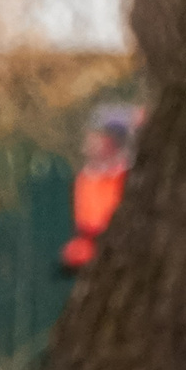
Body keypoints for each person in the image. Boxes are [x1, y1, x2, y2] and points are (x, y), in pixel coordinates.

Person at [61, 105, 140, 272]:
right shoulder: (86, 178)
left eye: (95, 137)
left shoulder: (128, 177)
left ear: (110, 141)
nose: (85, 145)